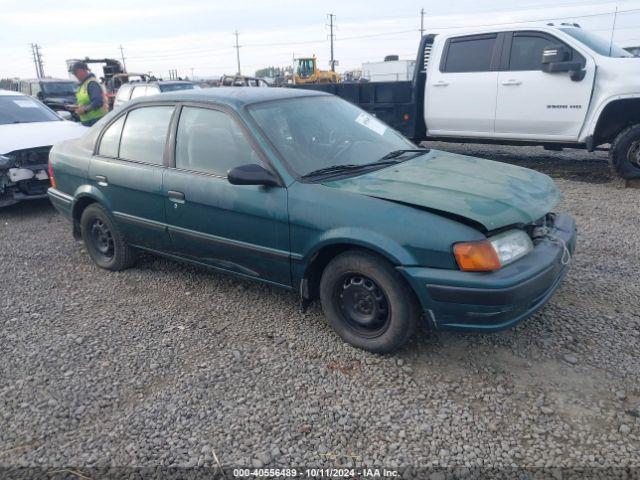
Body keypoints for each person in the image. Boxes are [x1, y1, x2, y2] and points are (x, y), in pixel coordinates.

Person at [68, 61, 108, 126]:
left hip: (96, 120)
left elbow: (98, 102)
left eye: (75, 72)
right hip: (89, 121)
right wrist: (76, 107)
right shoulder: (83, 84)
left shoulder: (91, 83)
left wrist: (84, 110)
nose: (75, 75)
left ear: (82, 71)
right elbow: (85, 102)